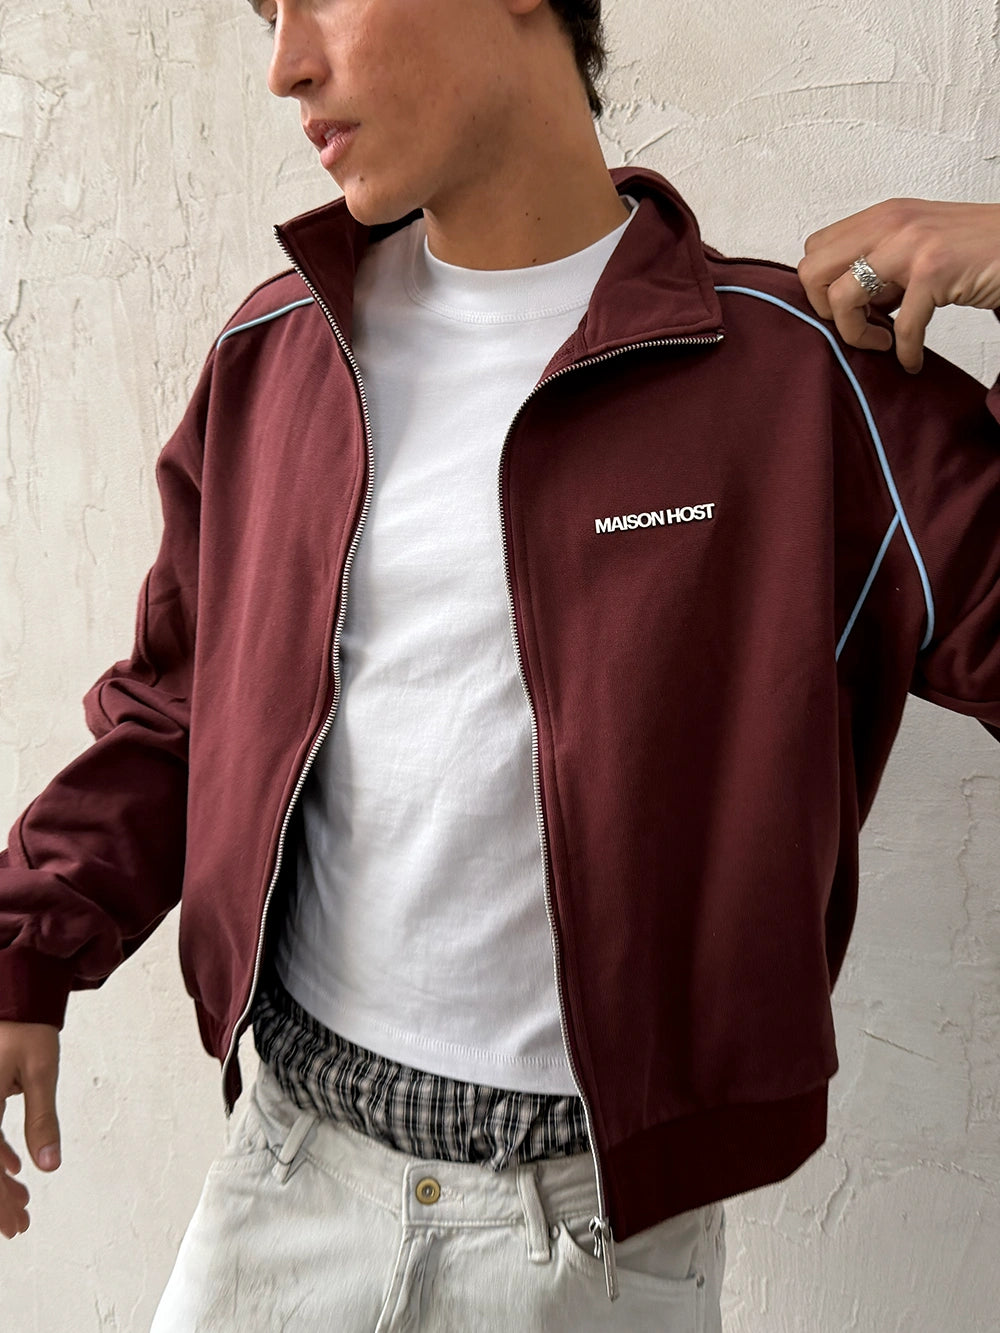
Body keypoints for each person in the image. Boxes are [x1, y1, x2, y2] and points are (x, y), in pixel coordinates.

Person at [0, 0, 998, 1327]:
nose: (285, 64)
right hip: (281, 1183)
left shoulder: (796, 379)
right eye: (266, 14)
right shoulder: (278, 355)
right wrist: (24, 951)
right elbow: (181, 711)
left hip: (591, 1242)